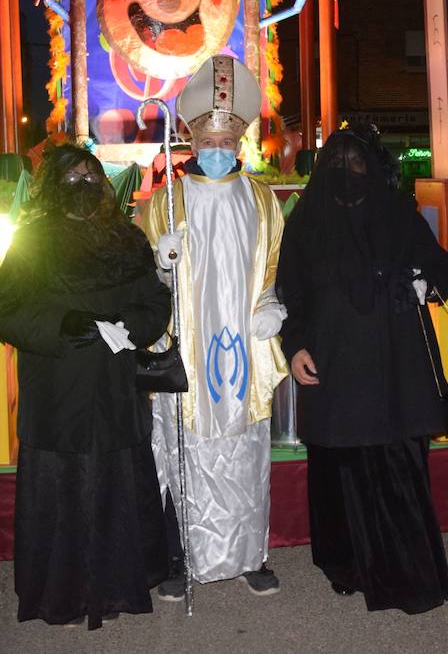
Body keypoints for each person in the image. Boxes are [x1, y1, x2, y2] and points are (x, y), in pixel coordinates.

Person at [0, 145, 173, 630]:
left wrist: (130, 325)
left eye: (92, 178)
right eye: (72, 178)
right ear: (53, 186)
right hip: (57, 390)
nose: (84, 185)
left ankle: (118, 587)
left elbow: (157, 301)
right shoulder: (31, 241)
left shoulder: (128, 239)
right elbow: (5, 311)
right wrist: (60, 323)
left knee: (116, 486)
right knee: (61, 492)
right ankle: (60, 595)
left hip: (115, 388)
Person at [275, 125, 448, 614]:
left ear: (374, 168)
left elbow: (439, 267)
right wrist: (294, 347)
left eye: (357, 165)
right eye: (339, 165)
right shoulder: (308, 221)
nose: (348, 175)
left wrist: (424, 282)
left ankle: (405, 571)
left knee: (396, 464)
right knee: (339, 470)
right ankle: (346, 563)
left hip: (394, 364)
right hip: (335, 363)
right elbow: (292, 292)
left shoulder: (397, 214)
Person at [140, 55, 289, 599]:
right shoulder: (165, 202)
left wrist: (271, 308)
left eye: (229, 143)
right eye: (211, 141)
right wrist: (161, 259)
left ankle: (252, 555)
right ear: (192, 140)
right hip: (188, 344)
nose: (220, 151)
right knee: (183, 450)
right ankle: (180, 558)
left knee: (245, 455)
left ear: (241, 143)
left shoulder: (262, 199)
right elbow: (145, 283)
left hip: (243, 345)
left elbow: (273, 265)